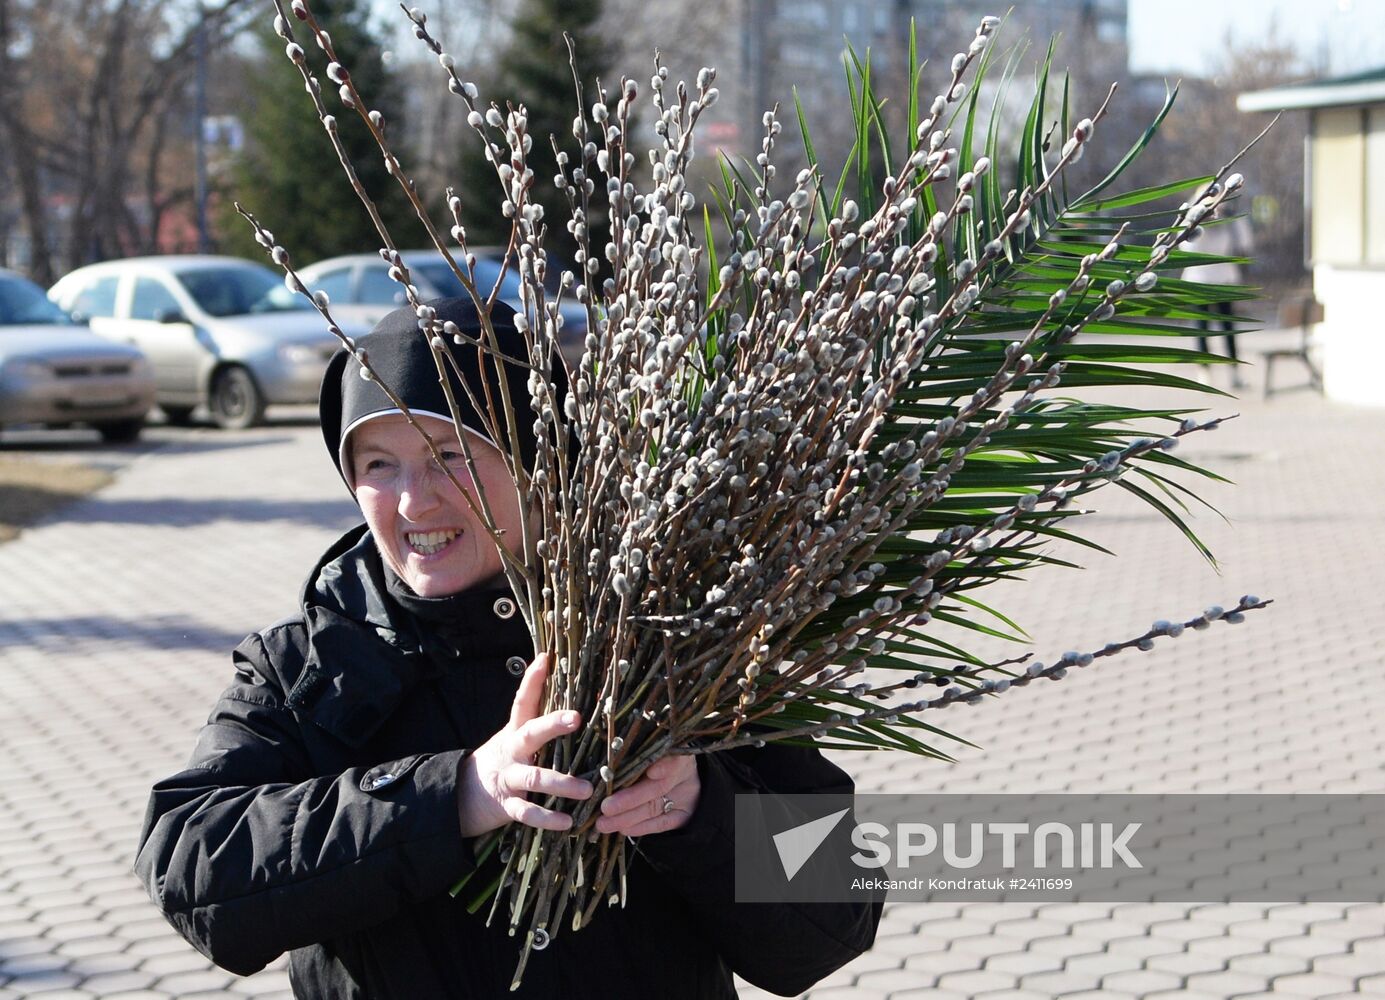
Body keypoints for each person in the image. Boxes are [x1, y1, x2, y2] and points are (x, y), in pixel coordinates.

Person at [134, 297, 883, 998]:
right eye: (376, 465)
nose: (413, 500)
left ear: (540, 463)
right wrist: (454, 795)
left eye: (451, 453)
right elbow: (191, 868)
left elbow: (834, 922)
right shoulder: (307, 666)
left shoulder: (674, 643)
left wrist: (699, 810)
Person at [1181, 192, 1253, 389]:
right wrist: (1196, 220)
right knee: (1201, 329)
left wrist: (1232, 219)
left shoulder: (1229, 223)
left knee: (1228, 328)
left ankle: (1234, 372)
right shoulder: (1195, 224)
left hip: (1223, 280)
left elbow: (1245, 243)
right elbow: (1187, 246)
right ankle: (1204, 372)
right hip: (1199, 280)